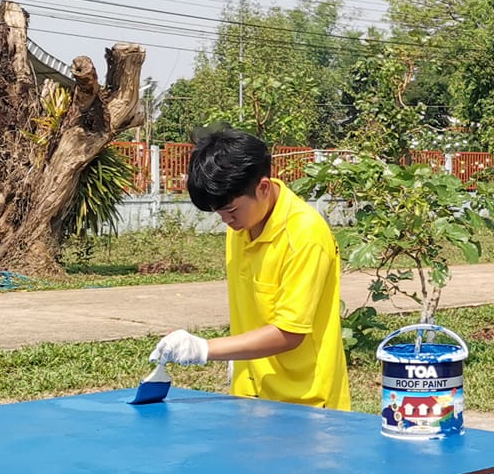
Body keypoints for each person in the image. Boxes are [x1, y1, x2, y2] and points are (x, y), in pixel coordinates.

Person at [148, 126, 349, 412]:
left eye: (230, 211)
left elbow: (290, 333)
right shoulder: (242, 224)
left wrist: (203, 348)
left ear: (263, 188)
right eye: (219, 213)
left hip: (306, 404)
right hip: (249, 396)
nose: (226, 221)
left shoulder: (305, 236)